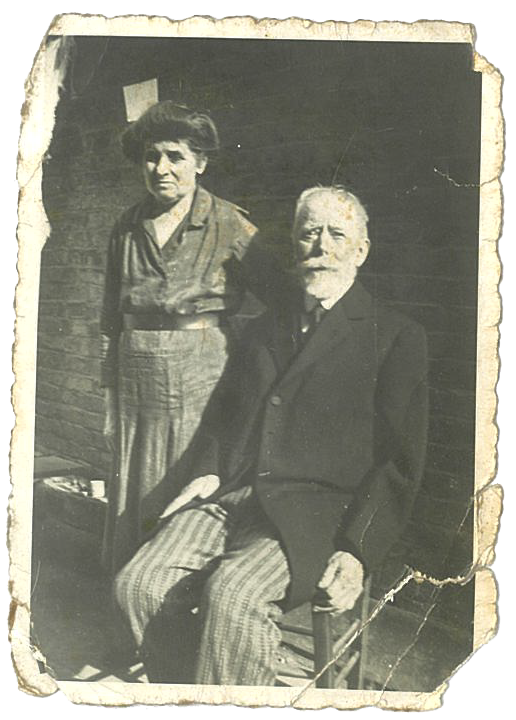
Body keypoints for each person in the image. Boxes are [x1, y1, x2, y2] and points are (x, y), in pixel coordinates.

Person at [114, 185, 429, 686]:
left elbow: (399, 464)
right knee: (139, 584)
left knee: (233, 596)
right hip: (234, 496)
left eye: (336, 234)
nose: (320, 247)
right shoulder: (266, 327)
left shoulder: (394, 336)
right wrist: (207, 473)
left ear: (361, 250)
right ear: (295, 245)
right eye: (309, 233)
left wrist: (357, 550)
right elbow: (225, 415)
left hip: (312, 515)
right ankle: (189, 695)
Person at [100, 101, 283, 575]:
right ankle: (126, 592)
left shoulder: (230, 223)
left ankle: (171, 595)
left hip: (201, 380)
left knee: (186, 482)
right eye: (151, 157)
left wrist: (247, 352)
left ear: (200, 162)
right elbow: (110, 320)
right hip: (134, 386)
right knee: (132, 486)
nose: (161, 168)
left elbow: (282, 298)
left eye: (175, 156)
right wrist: (109, 397)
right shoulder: (126, 227)